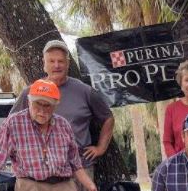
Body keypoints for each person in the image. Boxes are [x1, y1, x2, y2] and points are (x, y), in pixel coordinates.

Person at [11, 40, 114, 178]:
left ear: (68, 63)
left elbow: (108, 118)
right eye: (51, 61)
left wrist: (101, 148)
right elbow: (11, 126)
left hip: (79, 170)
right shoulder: (30, 93)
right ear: (44, 64)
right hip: (41, 172)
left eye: (60, 61)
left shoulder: (85, 91)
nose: (56, 65)